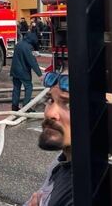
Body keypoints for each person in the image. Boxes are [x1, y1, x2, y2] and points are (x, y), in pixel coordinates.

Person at [25, 70, 72, 206]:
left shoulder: (86, 191)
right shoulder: (61, 162)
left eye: (67, 104)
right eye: (50, 100)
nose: (50, 113)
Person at [10, 32, 43, 111]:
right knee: (28, 87)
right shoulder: (28, 47)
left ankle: (14, 106)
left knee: (16, 88)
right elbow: (32, 61)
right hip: (23, 71)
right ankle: (26, 106)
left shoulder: (18, 44)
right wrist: (40, 74)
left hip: (15, 71)